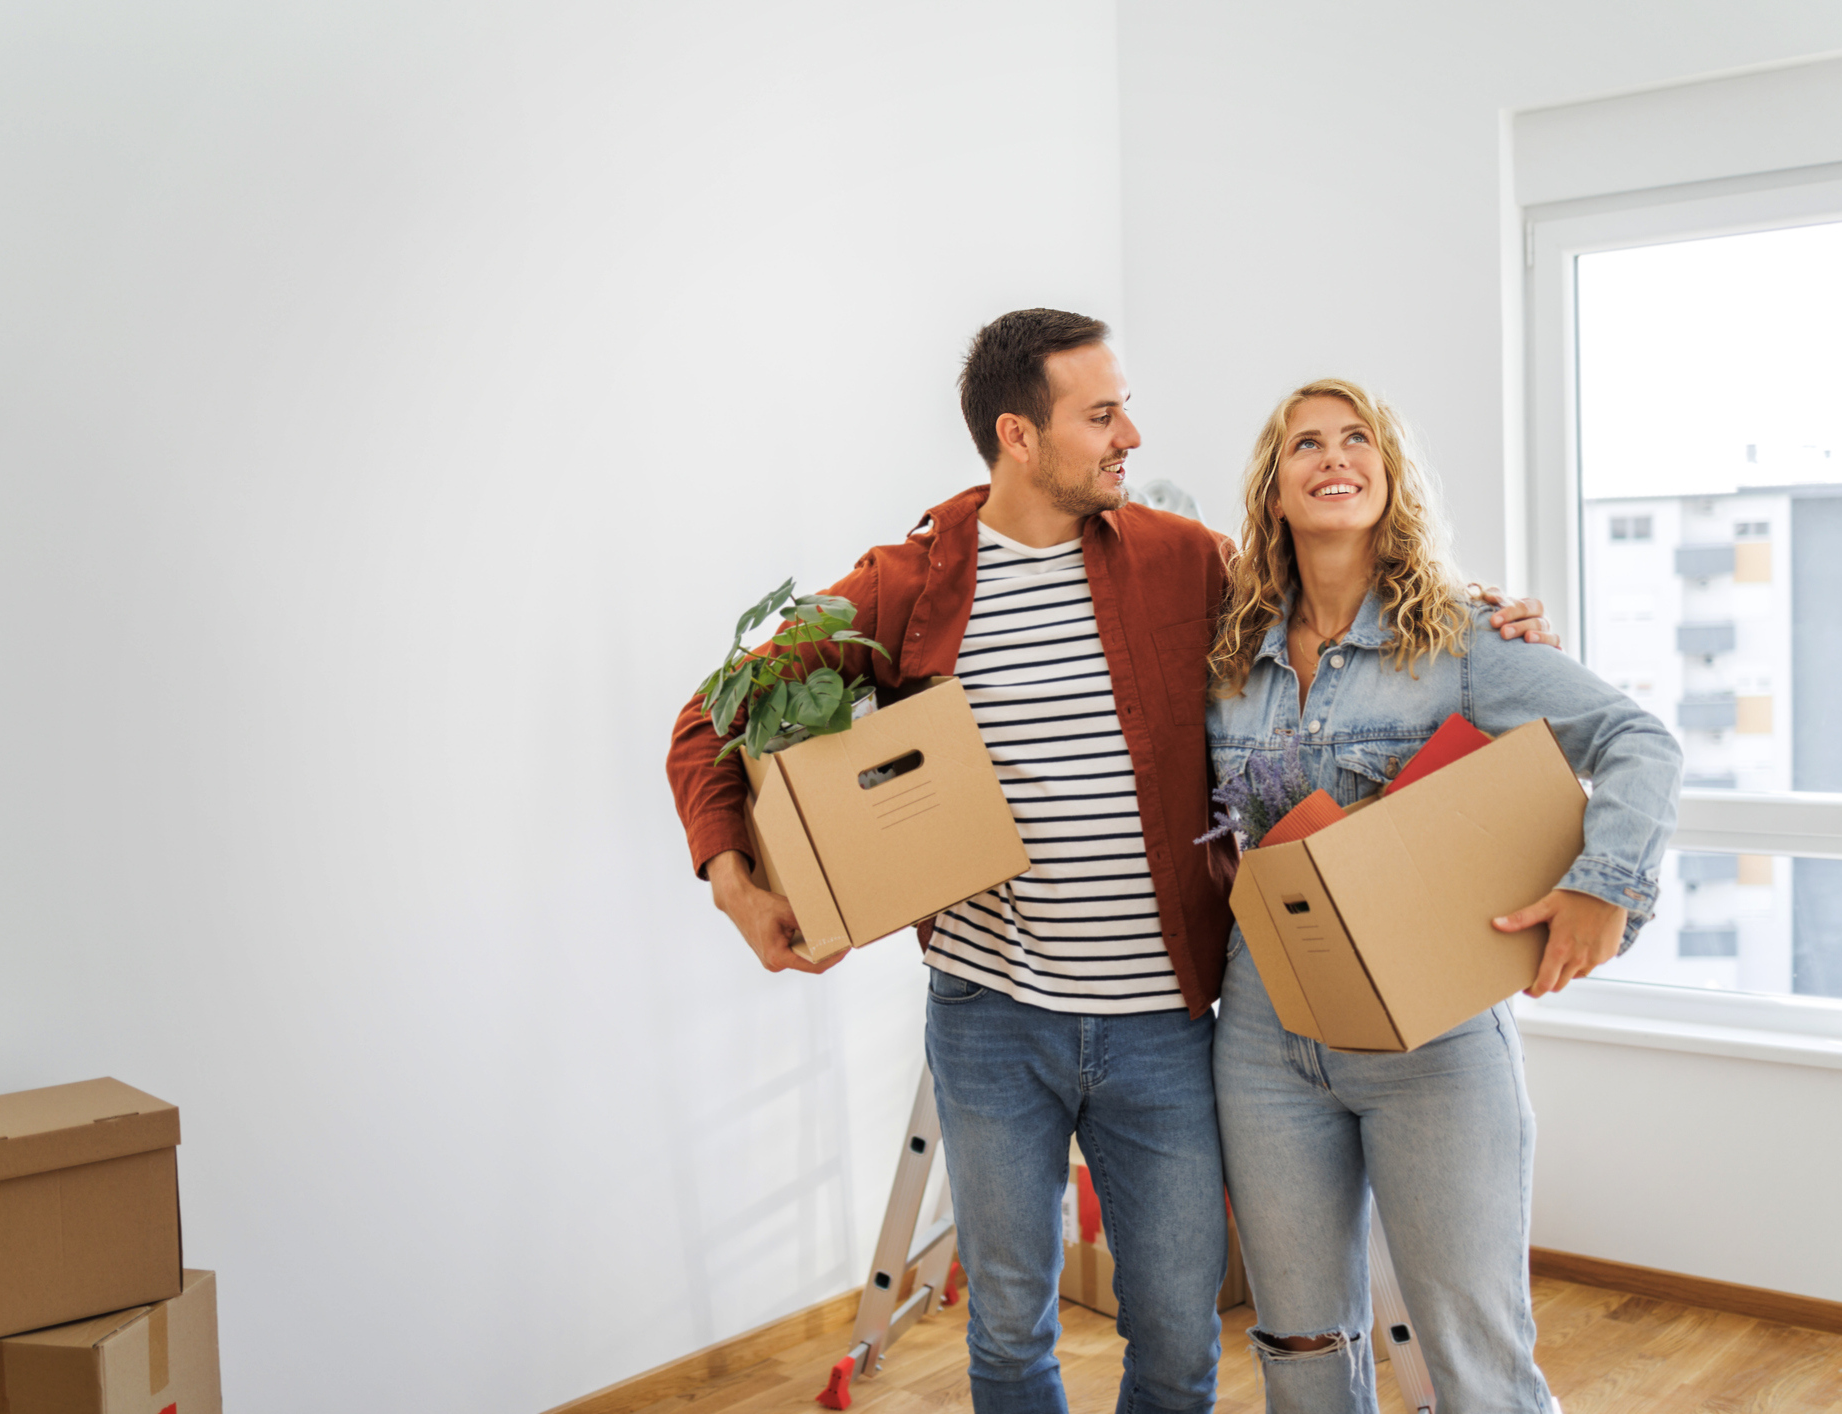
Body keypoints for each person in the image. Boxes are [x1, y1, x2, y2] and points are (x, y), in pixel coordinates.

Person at [665, 316, 1555, 1414]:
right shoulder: (913, 581)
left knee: (1179, 1338)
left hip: (1166, 1031)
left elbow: (1336, 610)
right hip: (991, 1017)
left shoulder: (1184, 563)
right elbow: (714, 715)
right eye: (1100, 414)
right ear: (1018, 436)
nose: (1130, 432)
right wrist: (734, 883)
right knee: (1004, 1327)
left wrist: (1487, 622)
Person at [1204, 378, 1680, 1413]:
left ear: (1387, 471)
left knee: (1474, 1356)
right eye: (1304, 445)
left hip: (1435, 1042)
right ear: (1273, 491)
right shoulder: (1226, 653)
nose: (1333, 456)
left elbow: (1638, 741)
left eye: (1355, 437)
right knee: (1298, 1342)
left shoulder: (1464, 637)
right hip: (1263, 1033)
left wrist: (1602, 889)